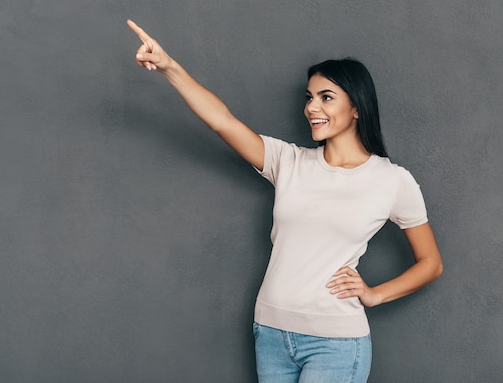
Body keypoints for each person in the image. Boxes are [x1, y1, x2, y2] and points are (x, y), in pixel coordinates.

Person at [127, 19, 443, 383]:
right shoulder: (289, 161)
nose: (312, 107)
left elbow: (431, 263)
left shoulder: (392, 181)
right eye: (309, 97)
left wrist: (375, 295)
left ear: (357, 107)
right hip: (270, 332)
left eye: (326, 97)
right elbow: (222, 120)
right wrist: (170, 67)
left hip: (335, 343)